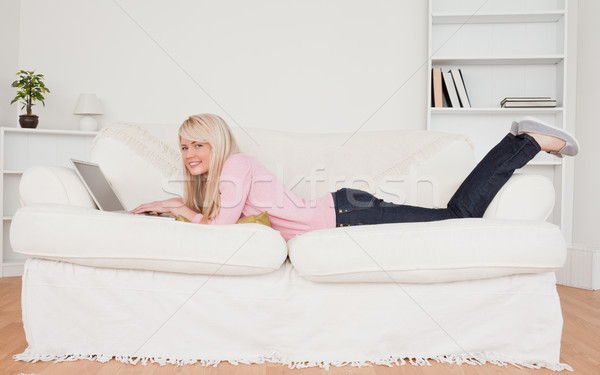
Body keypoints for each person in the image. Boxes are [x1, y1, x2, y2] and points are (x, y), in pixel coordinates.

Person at [131, 114, 579, 241]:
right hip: (343, 209)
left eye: (198, 144)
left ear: (217, 144)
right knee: (455, 215)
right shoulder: (222, 178)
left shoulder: (235, 166)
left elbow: (221, 230)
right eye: (184, 145)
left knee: (459, 215)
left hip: (346, 214)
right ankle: (520, 141)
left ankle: (525, 143)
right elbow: (220, 220)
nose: (189, 153)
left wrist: (181, 209)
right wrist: (175, 205)